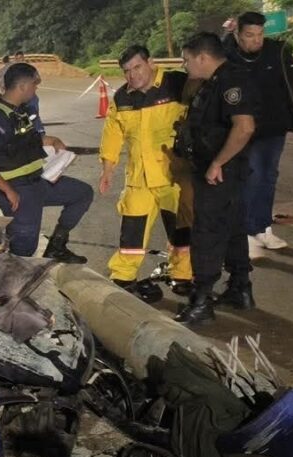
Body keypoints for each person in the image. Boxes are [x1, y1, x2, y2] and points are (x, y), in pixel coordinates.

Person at [226, 11, 293, 259]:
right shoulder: (226, 56)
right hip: (242, 130)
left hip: (275, 128)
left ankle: (262, 228)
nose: (256, 40)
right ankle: (245, 234)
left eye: (260, 34)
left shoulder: (278, 52)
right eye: (249, 35)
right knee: (251, 177)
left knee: (268, 177)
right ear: (237, 34)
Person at [173, 32, 258, 325]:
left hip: (220, 170)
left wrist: (218, 163)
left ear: (202, 57)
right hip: (222, 168)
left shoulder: (230, 81)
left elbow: (244, 127)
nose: (185, 65)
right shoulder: (216, 80)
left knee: (206, 232)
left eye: (187, 60)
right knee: (232, 226)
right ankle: (240, 288)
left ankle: (201, 301)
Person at [99, 45, 194, 302]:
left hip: (173, 175)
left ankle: (183, 275)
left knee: (180, 229)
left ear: (151, 63)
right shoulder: (122, 98)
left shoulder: (177, 84)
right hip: (139, 177)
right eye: (127, 71)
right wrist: (107, 169)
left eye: (137, 67)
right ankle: (123, 277)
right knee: (132, 230)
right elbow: (112, 134)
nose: (133, 75)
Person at [0, 63, 92, 263]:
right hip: (18, 191)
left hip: (38, 182)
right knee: (24, 250)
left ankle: (56, 246)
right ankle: (12, 280)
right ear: (22, 86)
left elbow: (26, 141)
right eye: (33, 85)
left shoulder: (19, 112)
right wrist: (8, 190)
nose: (36, 88)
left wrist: (52, 140)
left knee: (82, 193)